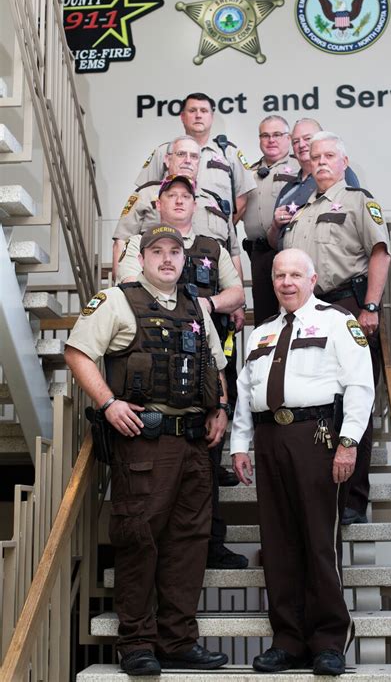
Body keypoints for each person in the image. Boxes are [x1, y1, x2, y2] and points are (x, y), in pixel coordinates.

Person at [65, 225, 229, 676]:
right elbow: (78, 351)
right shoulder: (118, 299)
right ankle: (137, 642)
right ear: (143, 258)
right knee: (139, 539)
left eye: (175, 252)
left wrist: (221, 408)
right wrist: (109, 402)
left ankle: (178, 641)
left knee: (189, 544)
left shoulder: (197, 305)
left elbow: (216, 364)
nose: (167, 259)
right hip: (145, 444)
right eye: (157, 251)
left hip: (196, 445)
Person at [231, 248, 374, 676]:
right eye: (279, 275)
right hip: (269, 438)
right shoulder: (261, 334)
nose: (287, 282)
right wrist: (240, 444)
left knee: (318, 541)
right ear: (272, 282)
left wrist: (348, 443)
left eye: (296, 274)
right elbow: (244, 392)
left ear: (312, 280)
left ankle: (328, 640)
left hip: (317, 438)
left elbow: (360, 386)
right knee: (278, 545)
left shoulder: (336, 321)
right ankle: (288, 640)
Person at [117, 174, 249, 570]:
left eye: (185, 197)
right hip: (154, 370)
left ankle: (211, 543)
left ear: (196, 206)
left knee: (205, 464)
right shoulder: (140, 245)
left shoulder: (213, 246)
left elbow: (238, 292)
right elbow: (126, 283)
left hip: (203, 368)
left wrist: (203, 307)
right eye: (170, 196)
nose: (178, 202)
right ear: (158, 203)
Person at [280, 131, 391, 526]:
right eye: (316, 156)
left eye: (330, 155)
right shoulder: (300, 212)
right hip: (310, 313)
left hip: (348, 306)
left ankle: (354, 501)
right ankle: (322, 498)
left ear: (344, 162)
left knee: (353, 404)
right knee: (317, 407)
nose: (322, 162)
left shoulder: (361, 202)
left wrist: (372, 306)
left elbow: (379, 253)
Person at [112, 135, 243, 284]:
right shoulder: (146, 194)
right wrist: (123, 289)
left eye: (194, 156)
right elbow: (121, 242)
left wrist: (238, 300)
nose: (188, 160)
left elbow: (233, 253)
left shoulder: (216, 201)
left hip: (209, 293)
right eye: (181, 154)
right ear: (167, 160)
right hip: (155, 292)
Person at [135, 92, 255, 223]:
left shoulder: (229, 153)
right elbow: (145, 193)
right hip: (171, 237)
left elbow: (242, 198)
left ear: (211, 117)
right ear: (182, 116)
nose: (198, 115)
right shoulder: (164, 151)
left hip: (214, 238)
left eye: (204, 111)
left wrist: (224, 228)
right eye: (192, 111)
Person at [267, 118, 359, 250]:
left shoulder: (340, 173)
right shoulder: (287, 189)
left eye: (307, 139)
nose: (301, 144)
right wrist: (275, 225)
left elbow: (352, 225)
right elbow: (274, 244)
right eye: (296, 141)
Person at [242, 115, 299, 325]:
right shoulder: (249, 173)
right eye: (265, 135)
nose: (271, 140)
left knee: (295, 312)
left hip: (290, 249)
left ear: (289, 138)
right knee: (264, 317)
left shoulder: (299, 167)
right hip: (260, 253)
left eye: (277, 134)